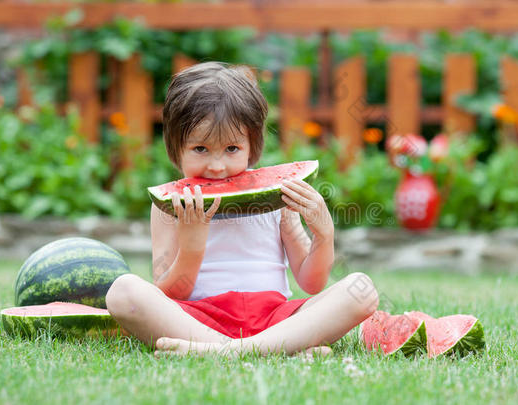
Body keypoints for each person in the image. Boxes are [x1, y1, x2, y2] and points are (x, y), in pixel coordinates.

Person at [105, 62, 379, 357]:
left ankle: (224, 352)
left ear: (252, 145)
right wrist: (192, 249)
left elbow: (311, 283)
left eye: (232, 149)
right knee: (123, 292)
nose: (217, 166)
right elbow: (170, 293)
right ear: (176, 148)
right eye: (200, 149)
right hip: (199, 319)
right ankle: (273, 349)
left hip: (275, 319)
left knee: (361, 290)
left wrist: (324, 234)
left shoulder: (276, 199)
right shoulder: (168, 207)